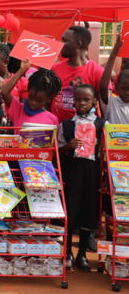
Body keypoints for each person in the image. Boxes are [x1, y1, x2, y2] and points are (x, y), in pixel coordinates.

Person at [58, 84, 106, 272]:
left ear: (94, 101)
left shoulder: (102, 124)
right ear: (73, 101)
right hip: (72, 174)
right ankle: (68, 253)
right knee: (71, 211)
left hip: (92, 175)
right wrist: (68, 146)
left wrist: (105, 179)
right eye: (78, 99)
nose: (82, 103)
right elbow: (58, 152)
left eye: (87, 99)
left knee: (89, 211)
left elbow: (106, 154)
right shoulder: (66, 125)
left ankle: (82, 254)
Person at [51, 26, 104, 123]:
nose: (60, 43)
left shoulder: (98, 71)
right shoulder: (54, 69)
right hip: (57, 128)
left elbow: (104, 107)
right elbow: (47, 100)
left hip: (87, 129)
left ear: (77, 44)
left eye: (64, 40)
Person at [2, 59, 61, 127]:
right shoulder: (19, 110)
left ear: (48, 99)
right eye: (30, 97)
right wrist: (22, 70)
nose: (33, 102)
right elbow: (4, 92)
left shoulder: (52, 119)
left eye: (39, 101)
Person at [100, 36, 129, 123]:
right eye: (124, 88)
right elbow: (103, 87)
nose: (127, 93)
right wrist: (112, 56)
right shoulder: (111, 103)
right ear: (116, 86)